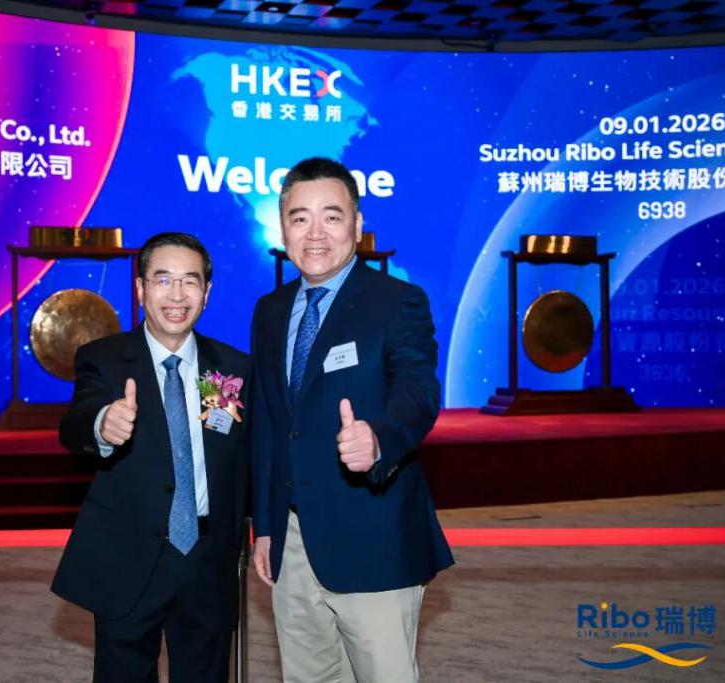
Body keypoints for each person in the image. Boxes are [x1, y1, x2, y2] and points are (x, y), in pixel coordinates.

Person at [249, 157, 453, 682]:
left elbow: (418, 392)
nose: (315, 233)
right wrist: (266, 525)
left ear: (357, 225)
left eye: (332, 216)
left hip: (373, 534)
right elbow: (270, 425)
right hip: (293, 542)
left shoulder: (397, 301)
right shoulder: (269, 311)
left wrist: (379, 440)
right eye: (300, 218)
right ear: (283, 229)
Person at [52, 232, 251, 682]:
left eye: (190, 281)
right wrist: (103, 423)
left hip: (206, 558)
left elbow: (249, 459)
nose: (176, 295)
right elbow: (75, 422)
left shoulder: (234, 368)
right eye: (162, 280)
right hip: (129, 554)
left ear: (207, 292)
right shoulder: (103, 359)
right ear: (141, 288)